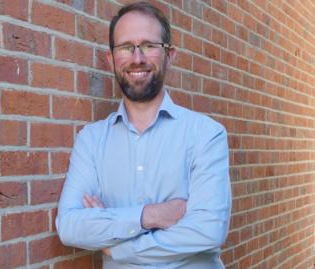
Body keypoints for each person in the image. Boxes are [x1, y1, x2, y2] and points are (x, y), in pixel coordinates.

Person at [56, 1, 231, 268]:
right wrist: (150, 215)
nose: (137, 58)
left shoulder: (206, 135)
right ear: (111, 58)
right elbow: (69, 226)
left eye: (149, 46)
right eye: (126, 47)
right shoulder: (90, 140)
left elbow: (209, 230)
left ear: (169, 55)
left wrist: (116, 246)